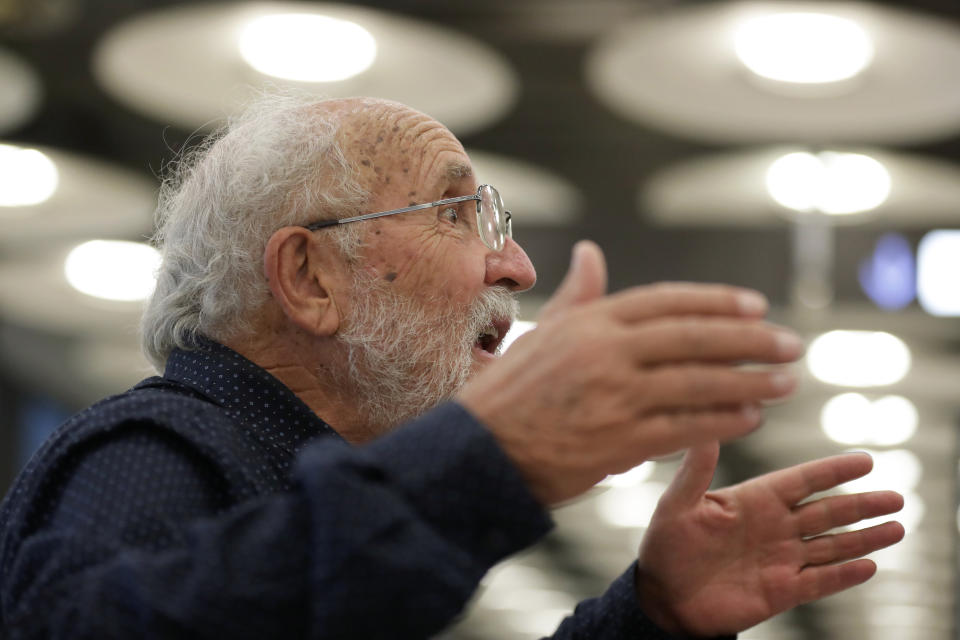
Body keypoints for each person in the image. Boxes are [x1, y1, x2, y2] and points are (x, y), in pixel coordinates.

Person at [0, 95, 904, 639]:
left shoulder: (298, 481)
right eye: (456, 214)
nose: (517, 268)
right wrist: (486, 464)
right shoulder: (149, 452)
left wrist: (651, 618)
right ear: (309, 278)